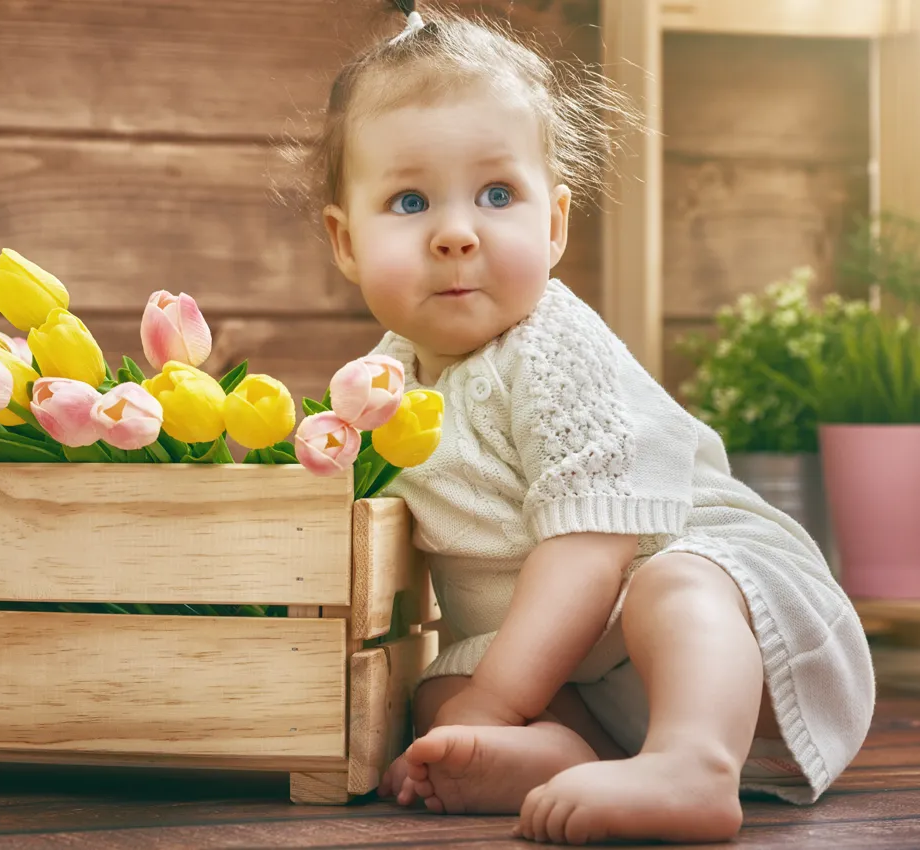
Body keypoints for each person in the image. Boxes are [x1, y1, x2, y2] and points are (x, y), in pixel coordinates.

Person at [298, 1, 875, 843]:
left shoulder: (554, 349)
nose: (457, 233)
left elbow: (591, 551)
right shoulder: (381, 384)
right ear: (345, 242)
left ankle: (695, 762)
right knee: (434, 698)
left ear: (556, 222)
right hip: (586, 668)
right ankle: (582, 758)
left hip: (737, 646)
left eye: (497, 194)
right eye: (411, 200)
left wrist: (500, 700)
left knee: (669, 586)